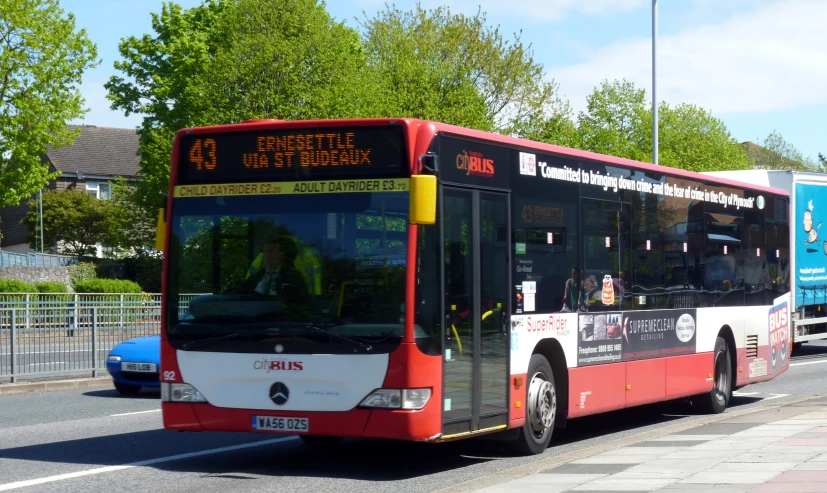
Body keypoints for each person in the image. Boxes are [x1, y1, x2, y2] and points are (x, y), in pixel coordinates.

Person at [245, 237, 308, 306]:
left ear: (281, 255)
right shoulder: (256, 277)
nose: (268, 255)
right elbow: (244, 294)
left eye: (272, 252)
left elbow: (298, 302)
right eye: (266, 252)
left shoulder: (293, 277)